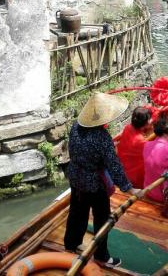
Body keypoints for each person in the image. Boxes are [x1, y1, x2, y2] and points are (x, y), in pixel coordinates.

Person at [64, 93, 141, 268]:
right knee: (101, 218)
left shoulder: (75, 126)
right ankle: (101, 255)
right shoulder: (102, 137)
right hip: (93, 183)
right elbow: (114, 167)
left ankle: (71, 244)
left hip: (75, 177)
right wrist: (129, 188)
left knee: (77, 212)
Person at [115, 107, 153, 188]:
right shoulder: (141, 141)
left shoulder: (127, 127)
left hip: (124, 167)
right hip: (135, 175)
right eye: (150, 119)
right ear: (145, 123)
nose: (151, 120)